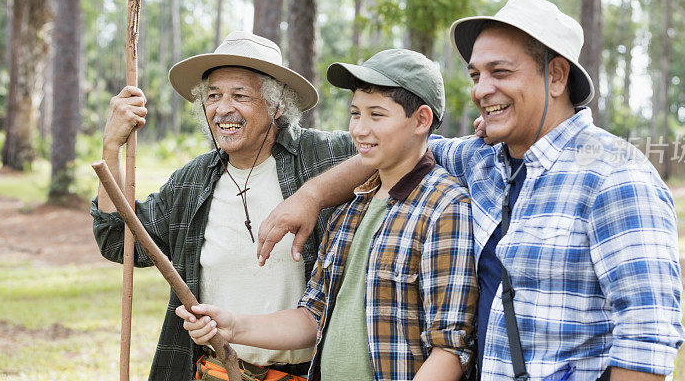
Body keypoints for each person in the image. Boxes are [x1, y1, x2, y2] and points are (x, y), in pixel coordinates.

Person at [255, 0, 685, 381]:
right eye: (476, 74)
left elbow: (647, 337)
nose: (482, 90)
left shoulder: (617, 176)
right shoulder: (481, 159)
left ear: (556, 76)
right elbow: (394, 149)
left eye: (501, 72)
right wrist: (311, 197)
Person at [176, 49, 479, 381]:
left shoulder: (444, 207)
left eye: (376, 115)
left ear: (421, 120)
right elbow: (312, 317)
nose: (360, 130)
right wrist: (233, 325)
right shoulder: (349, 210)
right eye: (355, 113)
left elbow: (449, 349)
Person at [91, 31, 357, 381]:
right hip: (215, 372)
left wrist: (313, 194)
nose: (222, 108)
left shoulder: (327, 156)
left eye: (240, 95)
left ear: (277, 105)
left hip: (307, 372)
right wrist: (112, 145)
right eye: (213, 96)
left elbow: (398, 150)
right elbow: (117, 239)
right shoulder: (193, 180)